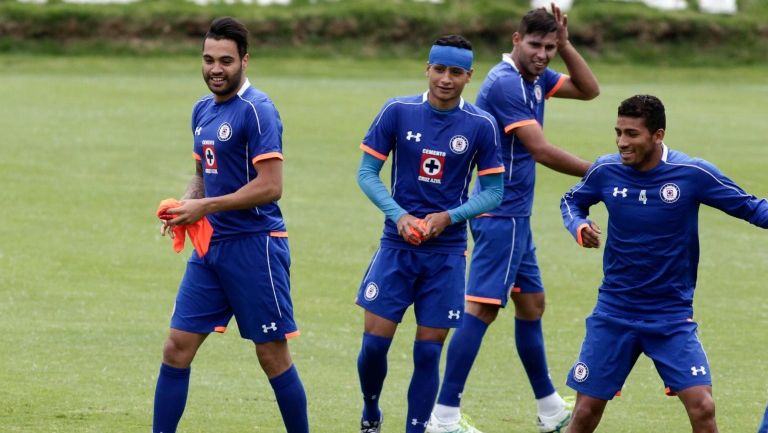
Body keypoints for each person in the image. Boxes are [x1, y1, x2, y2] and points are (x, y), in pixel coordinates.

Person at [428, 4, 599, 433]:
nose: (543, 54)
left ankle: (549, 409)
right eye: (536, 45)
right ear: (515, 41)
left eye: (549, 47)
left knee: (531, 304)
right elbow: (540, 150)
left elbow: (589, 88)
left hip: (516, 217)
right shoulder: (506, 84)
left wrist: (566, 42)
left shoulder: (536, 78)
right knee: (481, 310)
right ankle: (443, 416)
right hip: (498, 212)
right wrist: (602, 173)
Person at [560, 95, 768, 433]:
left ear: (658, 135)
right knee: (584, 413)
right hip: (614, 312)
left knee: (703, 407)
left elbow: (751, 208)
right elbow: (572, 200)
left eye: (632, 134)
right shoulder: (605, 170)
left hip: (670, 315)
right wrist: (578, 226)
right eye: (618, 132)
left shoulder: (691, 174)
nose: (622, 142)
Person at [151, 17, 309, 433]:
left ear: (244, 60)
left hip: (256, 246)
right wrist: (185, 204)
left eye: (225, 60)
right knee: (176, 348)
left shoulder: (258, 111)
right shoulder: (202, 110)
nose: (215, 69)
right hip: (211, 249)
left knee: (272, 356)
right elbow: (203, 173)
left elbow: (271, 187)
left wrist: (204, 207)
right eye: (207, 60)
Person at [354, 35, 505, 433]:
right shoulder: (398, 111)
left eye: (456, 72)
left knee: (427, 354)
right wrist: (400, 216)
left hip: (447, 255)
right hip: (396, 246)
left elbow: (494, 191)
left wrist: (449, 217)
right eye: (439, 69)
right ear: (427, 69)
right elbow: (366, 174)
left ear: (469, 76)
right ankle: (371, 409)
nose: (445, 79)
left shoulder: (480, 125)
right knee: (374, 346)